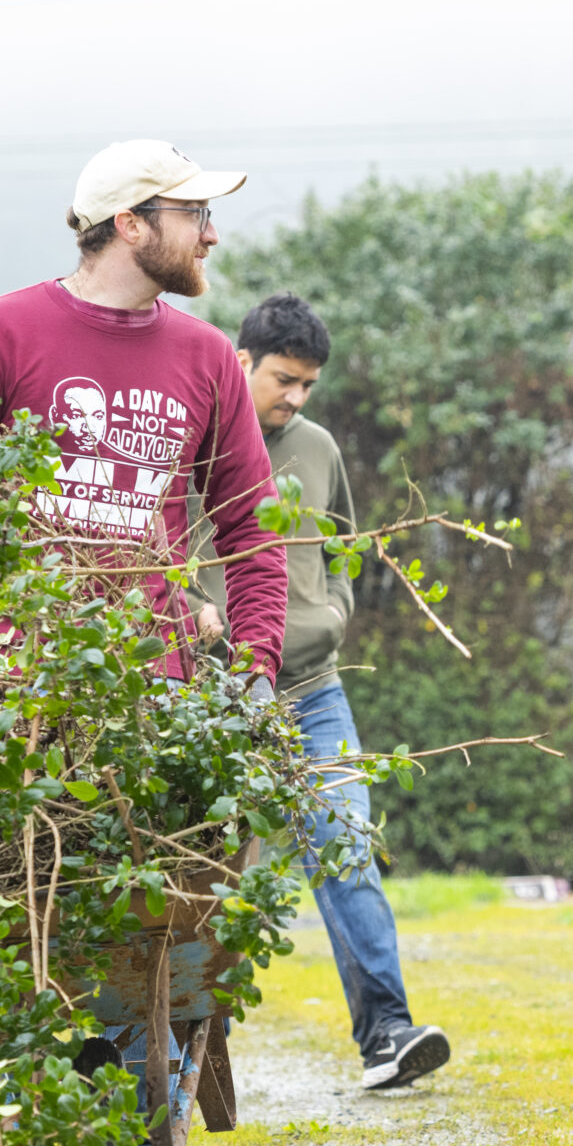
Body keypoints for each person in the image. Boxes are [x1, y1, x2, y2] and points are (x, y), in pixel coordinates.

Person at [0, 138, 289, 1146]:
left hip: (160, 708)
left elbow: (249, 531)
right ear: (133, 224)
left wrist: (253, 670)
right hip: (16, 699)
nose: (212, 234)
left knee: (172, 935)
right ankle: (36, 1122)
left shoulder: (206, 361)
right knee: (11, 925)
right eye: (194, 214)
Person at [197, 293, 453, 1091]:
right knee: (198, 882)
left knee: (346, 851)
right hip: (212, 695)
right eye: (285, 378)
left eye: (308, 383)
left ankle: (387, 1034)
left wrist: (333, 611)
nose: (297, 396)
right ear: (240, 361)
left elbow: (342, 547)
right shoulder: (192, 443)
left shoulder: (317, 448)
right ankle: (171, 1056)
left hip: (313, 688)